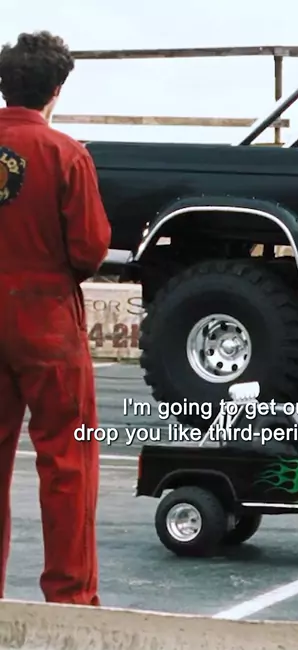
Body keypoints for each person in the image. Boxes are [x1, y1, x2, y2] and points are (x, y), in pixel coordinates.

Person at [0, 31, 111, 605]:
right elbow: (90, 248)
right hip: (45, 320)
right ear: (56, 89)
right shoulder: (66, 154)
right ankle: (71, 601)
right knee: (68, 458)